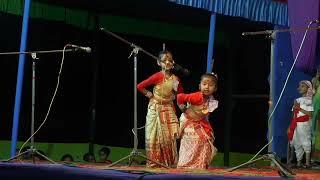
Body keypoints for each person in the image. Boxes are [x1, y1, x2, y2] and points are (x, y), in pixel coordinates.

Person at [137, 50, 184, 168]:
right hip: (156, 108)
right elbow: (140, 86)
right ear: (159, 63)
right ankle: (154, 163)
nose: (167, 62)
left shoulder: (176, 79)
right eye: (164, 60)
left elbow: (181, 94)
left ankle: (169, 163)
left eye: (170, 60)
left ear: (173, 63)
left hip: (168, 108)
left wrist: (181, 104)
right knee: (154, 135)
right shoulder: (158, 76)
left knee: (170, 137)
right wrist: (150, 95)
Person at [176, 73, 218, 169]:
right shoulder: (197, 96)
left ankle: (199, 165)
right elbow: (179, 97)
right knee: (195, 141)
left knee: (207, 140)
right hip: (189, 123)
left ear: (215, 88)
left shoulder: (211, 100)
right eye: (204, 84)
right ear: (200, 86)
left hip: (199, 122)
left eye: (211, 85)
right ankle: (185, 166)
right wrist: (181, 106)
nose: (207, 87)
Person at [287, 80, 313, 168]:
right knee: (296, 142)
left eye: (303, 86)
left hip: (305, 124)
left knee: (305, 141)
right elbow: (294, 114)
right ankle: (298, 163)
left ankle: (307, 163)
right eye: (300, 86)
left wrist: (300, 109)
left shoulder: (309, 101)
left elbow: (310, 114)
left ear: (308, 88)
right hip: (296, 124)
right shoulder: (297, 100)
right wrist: (290, 126)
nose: (300, 87)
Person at [311, 68, 320, 163]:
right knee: (315, 134)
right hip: (316, 111)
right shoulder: (315, 81)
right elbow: (313, 92)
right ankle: (314, 159)